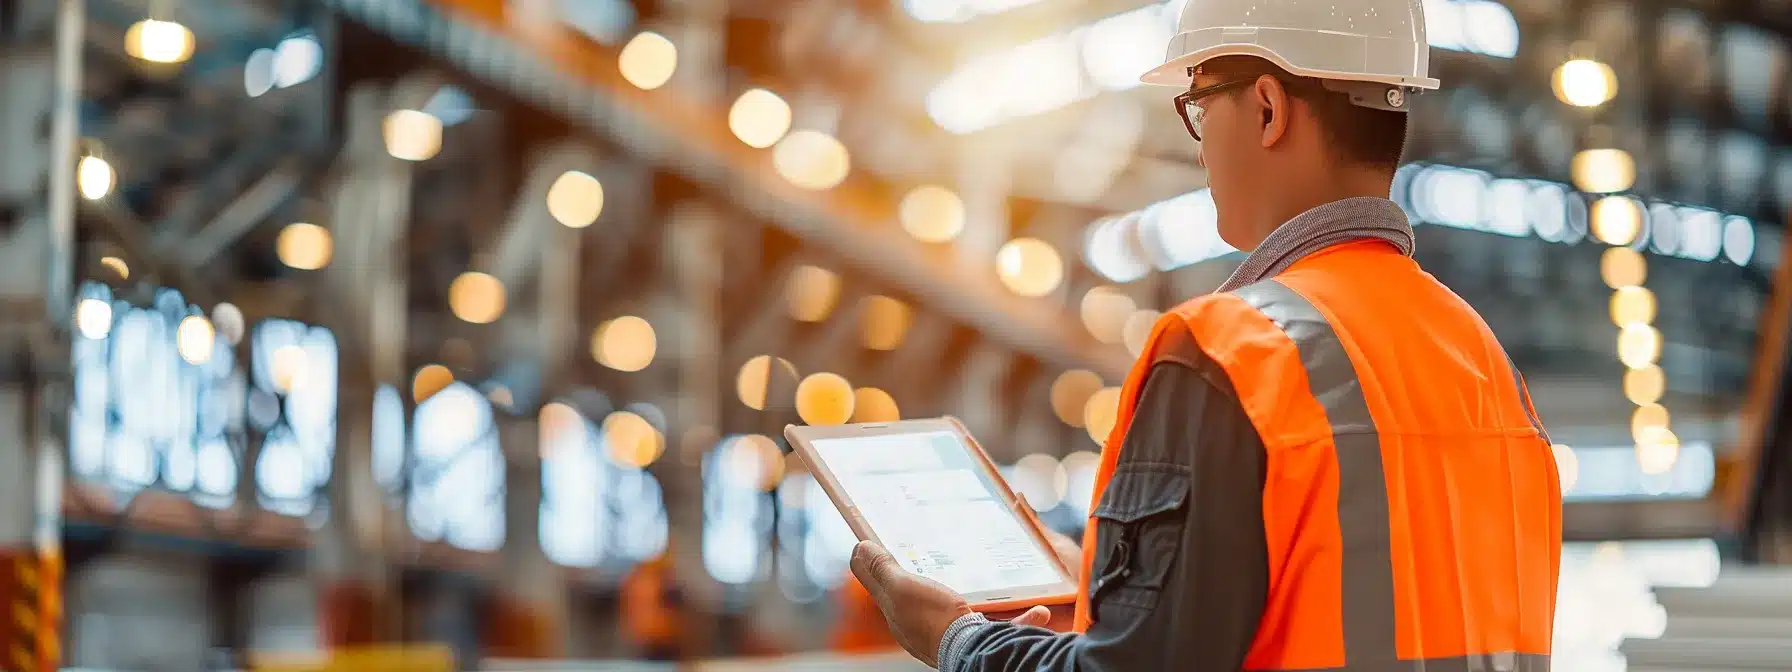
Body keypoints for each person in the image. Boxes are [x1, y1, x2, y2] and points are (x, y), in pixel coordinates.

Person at [848, 0, 1564, 669]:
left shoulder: (1230, 354)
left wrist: (958, 639)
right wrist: (1111, 591)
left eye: (1196, 103)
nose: (1196, 147)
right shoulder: (1484, 363)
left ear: (1267, 107)